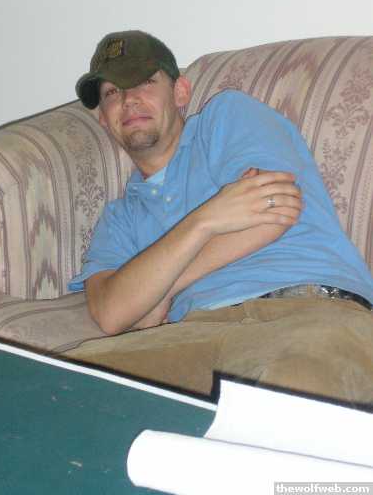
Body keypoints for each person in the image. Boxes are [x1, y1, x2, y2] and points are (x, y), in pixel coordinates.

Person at [68, 30, 373, 404]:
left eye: (144, 82)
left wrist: (162, 285)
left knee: (288, 400)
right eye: (112, 92)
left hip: (309, 311)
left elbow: (276, 209)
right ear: (103, 118)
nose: (129, 99)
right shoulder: (120, 218)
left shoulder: (225, 116)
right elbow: (112, 313)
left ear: (180, 92)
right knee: (63, 385)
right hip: (195, 334)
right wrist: (206, 219)